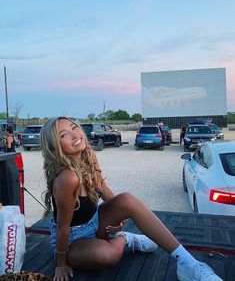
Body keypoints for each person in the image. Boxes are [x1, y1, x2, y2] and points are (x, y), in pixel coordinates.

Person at [40, 117, 222, 281]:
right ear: (55, 146)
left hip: (94, 224)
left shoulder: (88, 157)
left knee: (127, 199)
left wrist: (121, 216)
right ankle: (127, 239)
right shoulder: (67, 178)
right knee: (107, 256)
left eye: (74, 127)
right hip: (71, 241)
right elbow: (63, 228)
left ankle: (188, 264)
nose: (74, 135)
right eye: (64, 134)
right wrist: (61, 264)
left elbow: (103, 190)